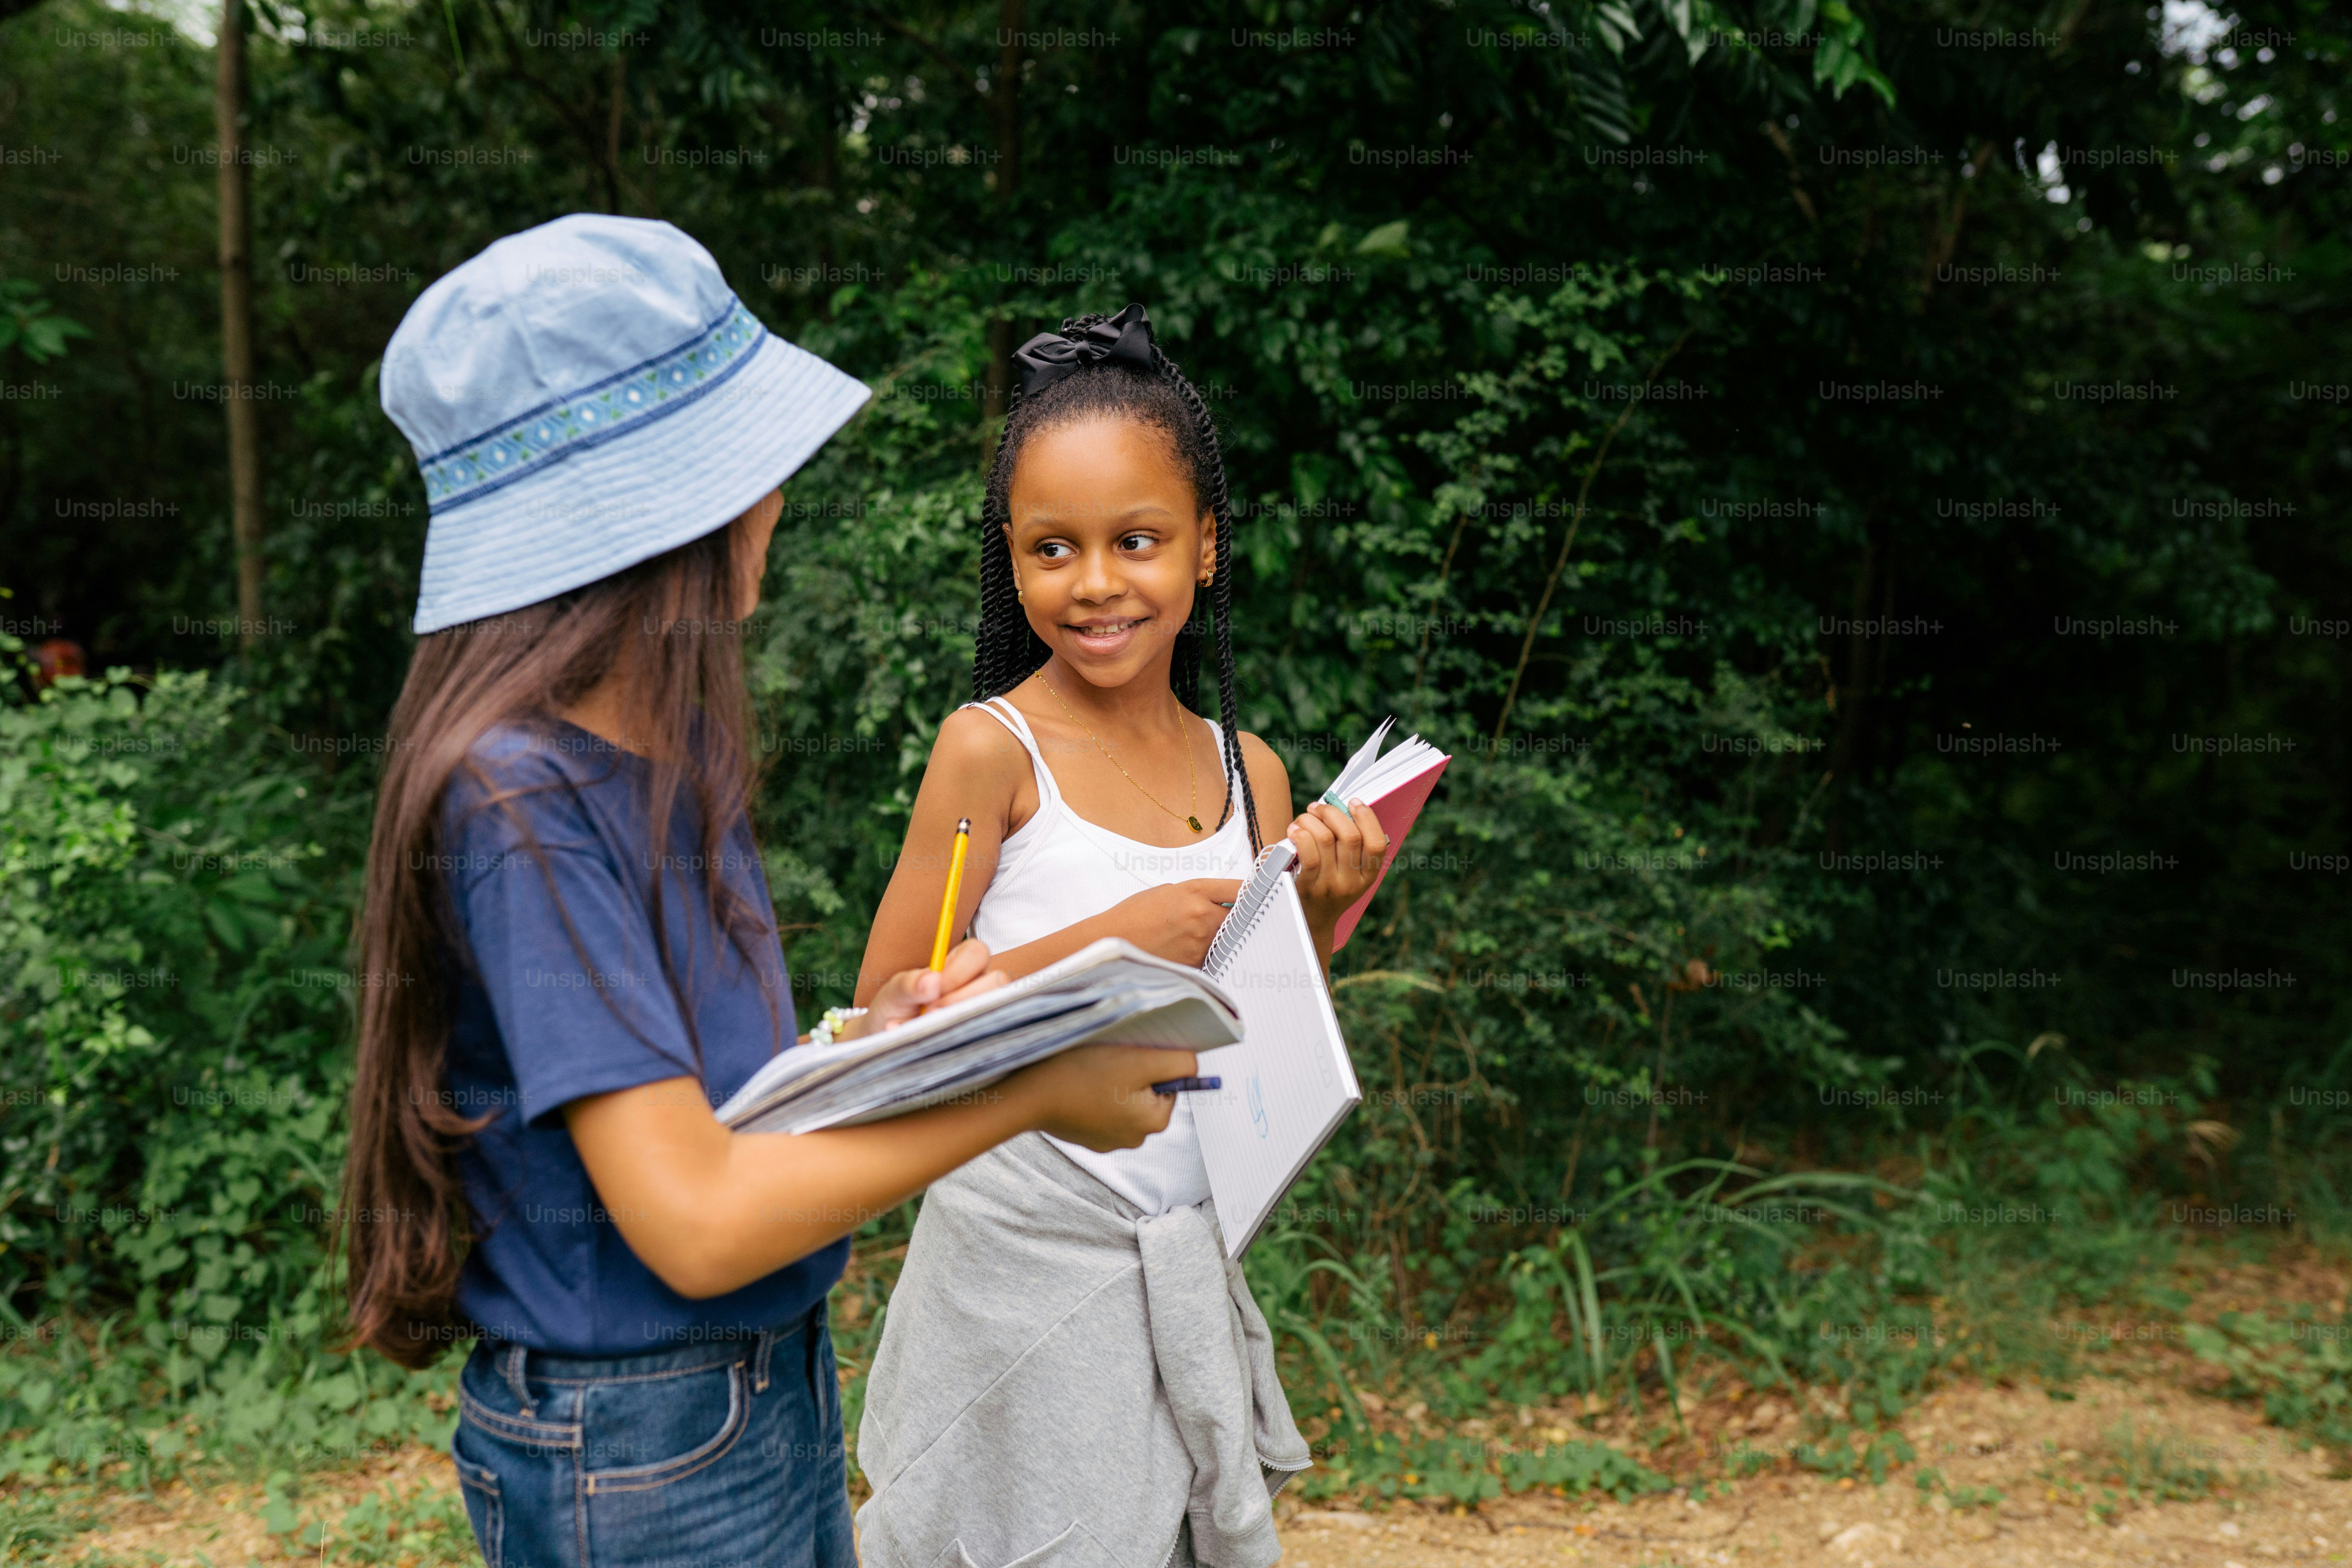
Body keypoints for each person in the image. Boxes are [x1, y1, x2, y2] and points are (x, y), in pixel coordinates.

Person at [336, 218, 1200, 1568]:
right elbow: (694, 1219)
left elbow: (715, 1111)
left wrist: (895, 1037)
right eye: (754, 467)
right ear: (662, 507)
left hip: (756, 1390)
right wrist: (1026, 1092)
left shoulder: (658, 758)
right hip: (639, 1442)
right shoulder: (520, 802)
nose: (777, 502)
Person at [851, 305, 1389, 1568]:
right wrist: (1112, 940)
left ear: (1206, 548)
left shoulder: (1248, 768)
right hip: (1018, 1258)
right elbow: (883, 1007)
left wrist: (1316, 912)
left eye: (1136, 541)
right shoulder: (993, 751)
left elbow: (1260, 1026)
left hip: (1179, 1255)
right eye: (1053, 549)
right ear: (1012, 560)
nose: (1095, 583)